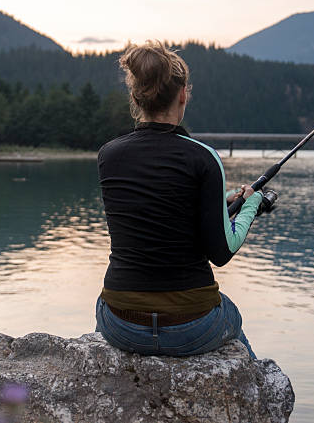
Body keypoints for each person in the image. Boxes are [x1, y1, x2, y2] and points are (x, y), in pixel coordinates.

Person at [95, 40, 262, 359]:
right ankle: (257, 392)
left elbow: (157, 206)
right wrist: (251, 203)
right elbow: (222, 252)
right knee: (233, 318)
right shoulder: (203, 158)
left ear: (135, 96)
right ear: (183, 93)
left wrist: (222, 198)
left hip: (120, 322)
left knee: (105, 306)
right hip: (192, 325)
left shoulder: (109, 156)